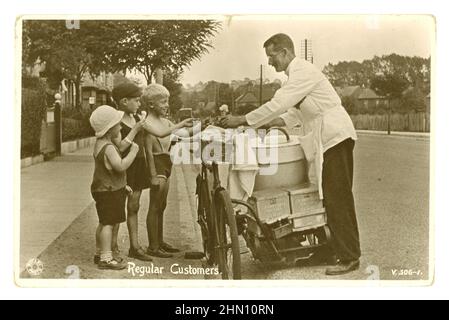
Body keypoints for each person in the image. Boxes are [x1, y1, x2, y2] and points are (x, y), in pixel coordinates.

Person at [220, 33, 361, 276]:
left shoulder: (303, 71)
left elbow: (280, 103)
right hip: (325, 137)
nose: (270, 62)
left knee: (338, 195)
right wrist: (267, 124)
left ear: (285, 52)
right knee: (326, 194)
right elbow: (294, 114)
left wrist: (242, 119)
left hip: (335, 135)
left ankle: (350, 256)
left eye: (272, 56)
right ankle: (330, 249)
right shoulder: (293, 79)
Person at [110, 81, 194, 262]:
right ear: (124, 101)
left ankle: (151, 243)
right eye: (135, 100)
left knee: (147, 206)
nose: (138, 103)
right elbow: (151, 143)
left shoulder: (139, 119)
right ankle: (135, 246)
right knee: (130, 207)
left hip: (145, 164)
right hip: (130, 166)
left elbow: (167, 135)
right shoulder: (128, 121)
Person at [89, 105, 140, 270]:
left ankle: (99, 252)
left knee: (103, 223)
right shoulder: (109, 148)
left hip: (105, 189)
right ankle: (106, 257)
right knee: (109, 223)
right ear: (110, 129)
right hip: (108, 191)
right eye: (118, 124)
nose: (120, 127)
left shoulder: (100, 144)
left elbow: (108, 171)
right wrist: (133, 151)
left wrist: (122, 186)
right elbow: (120, 166)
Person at [141, 84, 182, 258]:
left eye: (167, 101)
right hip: (157, 164)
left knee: (162, 206)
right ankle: (153, 246)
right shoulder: (148, 124)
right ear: (151, 104)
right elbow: (148, 153)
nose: (167, 105)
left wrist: (204, 127)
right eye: (163, 102)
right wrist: (151, 175)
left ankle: (160, 240)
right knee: (154, 206)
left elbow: (182, 133)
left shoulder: (165, 122)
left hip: (167, 163)